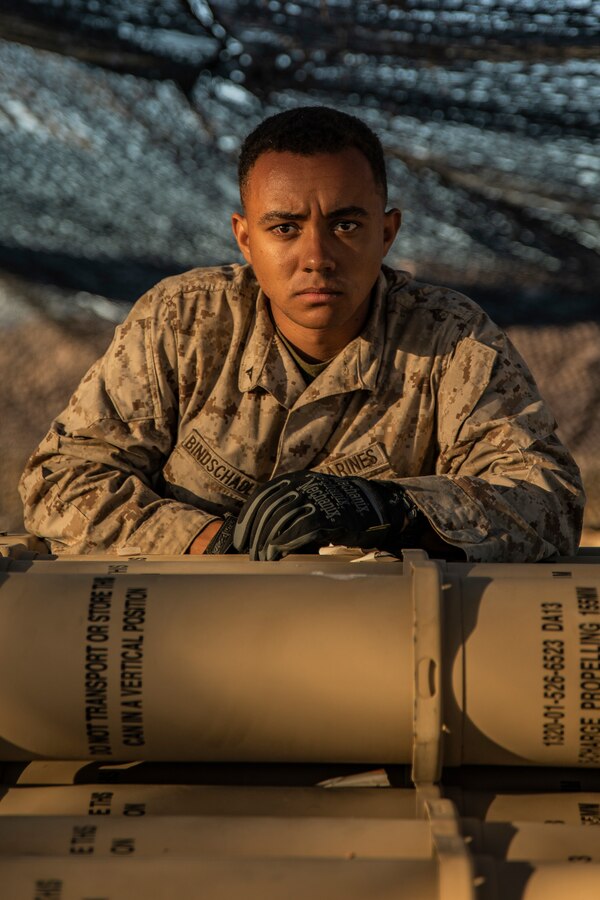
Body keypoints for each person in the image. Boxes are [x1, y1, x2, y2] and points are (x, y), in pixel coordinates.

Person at [20, 106, 584, 561]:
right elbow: (62, 481)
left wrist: (391, 507)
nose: (317, 257)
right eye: (285, 228)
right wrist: (216, 542)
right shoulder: (181, 322)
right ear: (245, 239)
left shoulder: (451, 340)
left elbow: (548, 501)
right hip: (187, 629)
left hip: (372, 637)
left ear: (387, 232)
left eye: (346, 225)